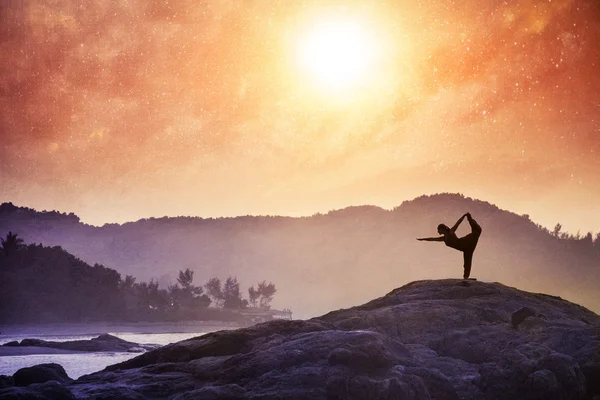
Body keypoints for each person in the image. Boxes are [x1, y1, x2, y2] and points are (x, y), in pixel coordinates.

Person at [417, 213, 482, 279]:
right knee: (467, 263)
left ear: (442, 229)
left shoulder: (451, 232)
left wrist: (463, 216)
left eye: (438, 229)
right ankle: (466, 278)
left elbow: (458, 223)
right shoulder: (443, 239)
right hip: (465, 248)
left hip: (465, 242)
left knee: (477, 231)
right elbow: (432, 239)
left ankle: (469, 218)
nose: (437, 231)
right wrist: (423, 239)